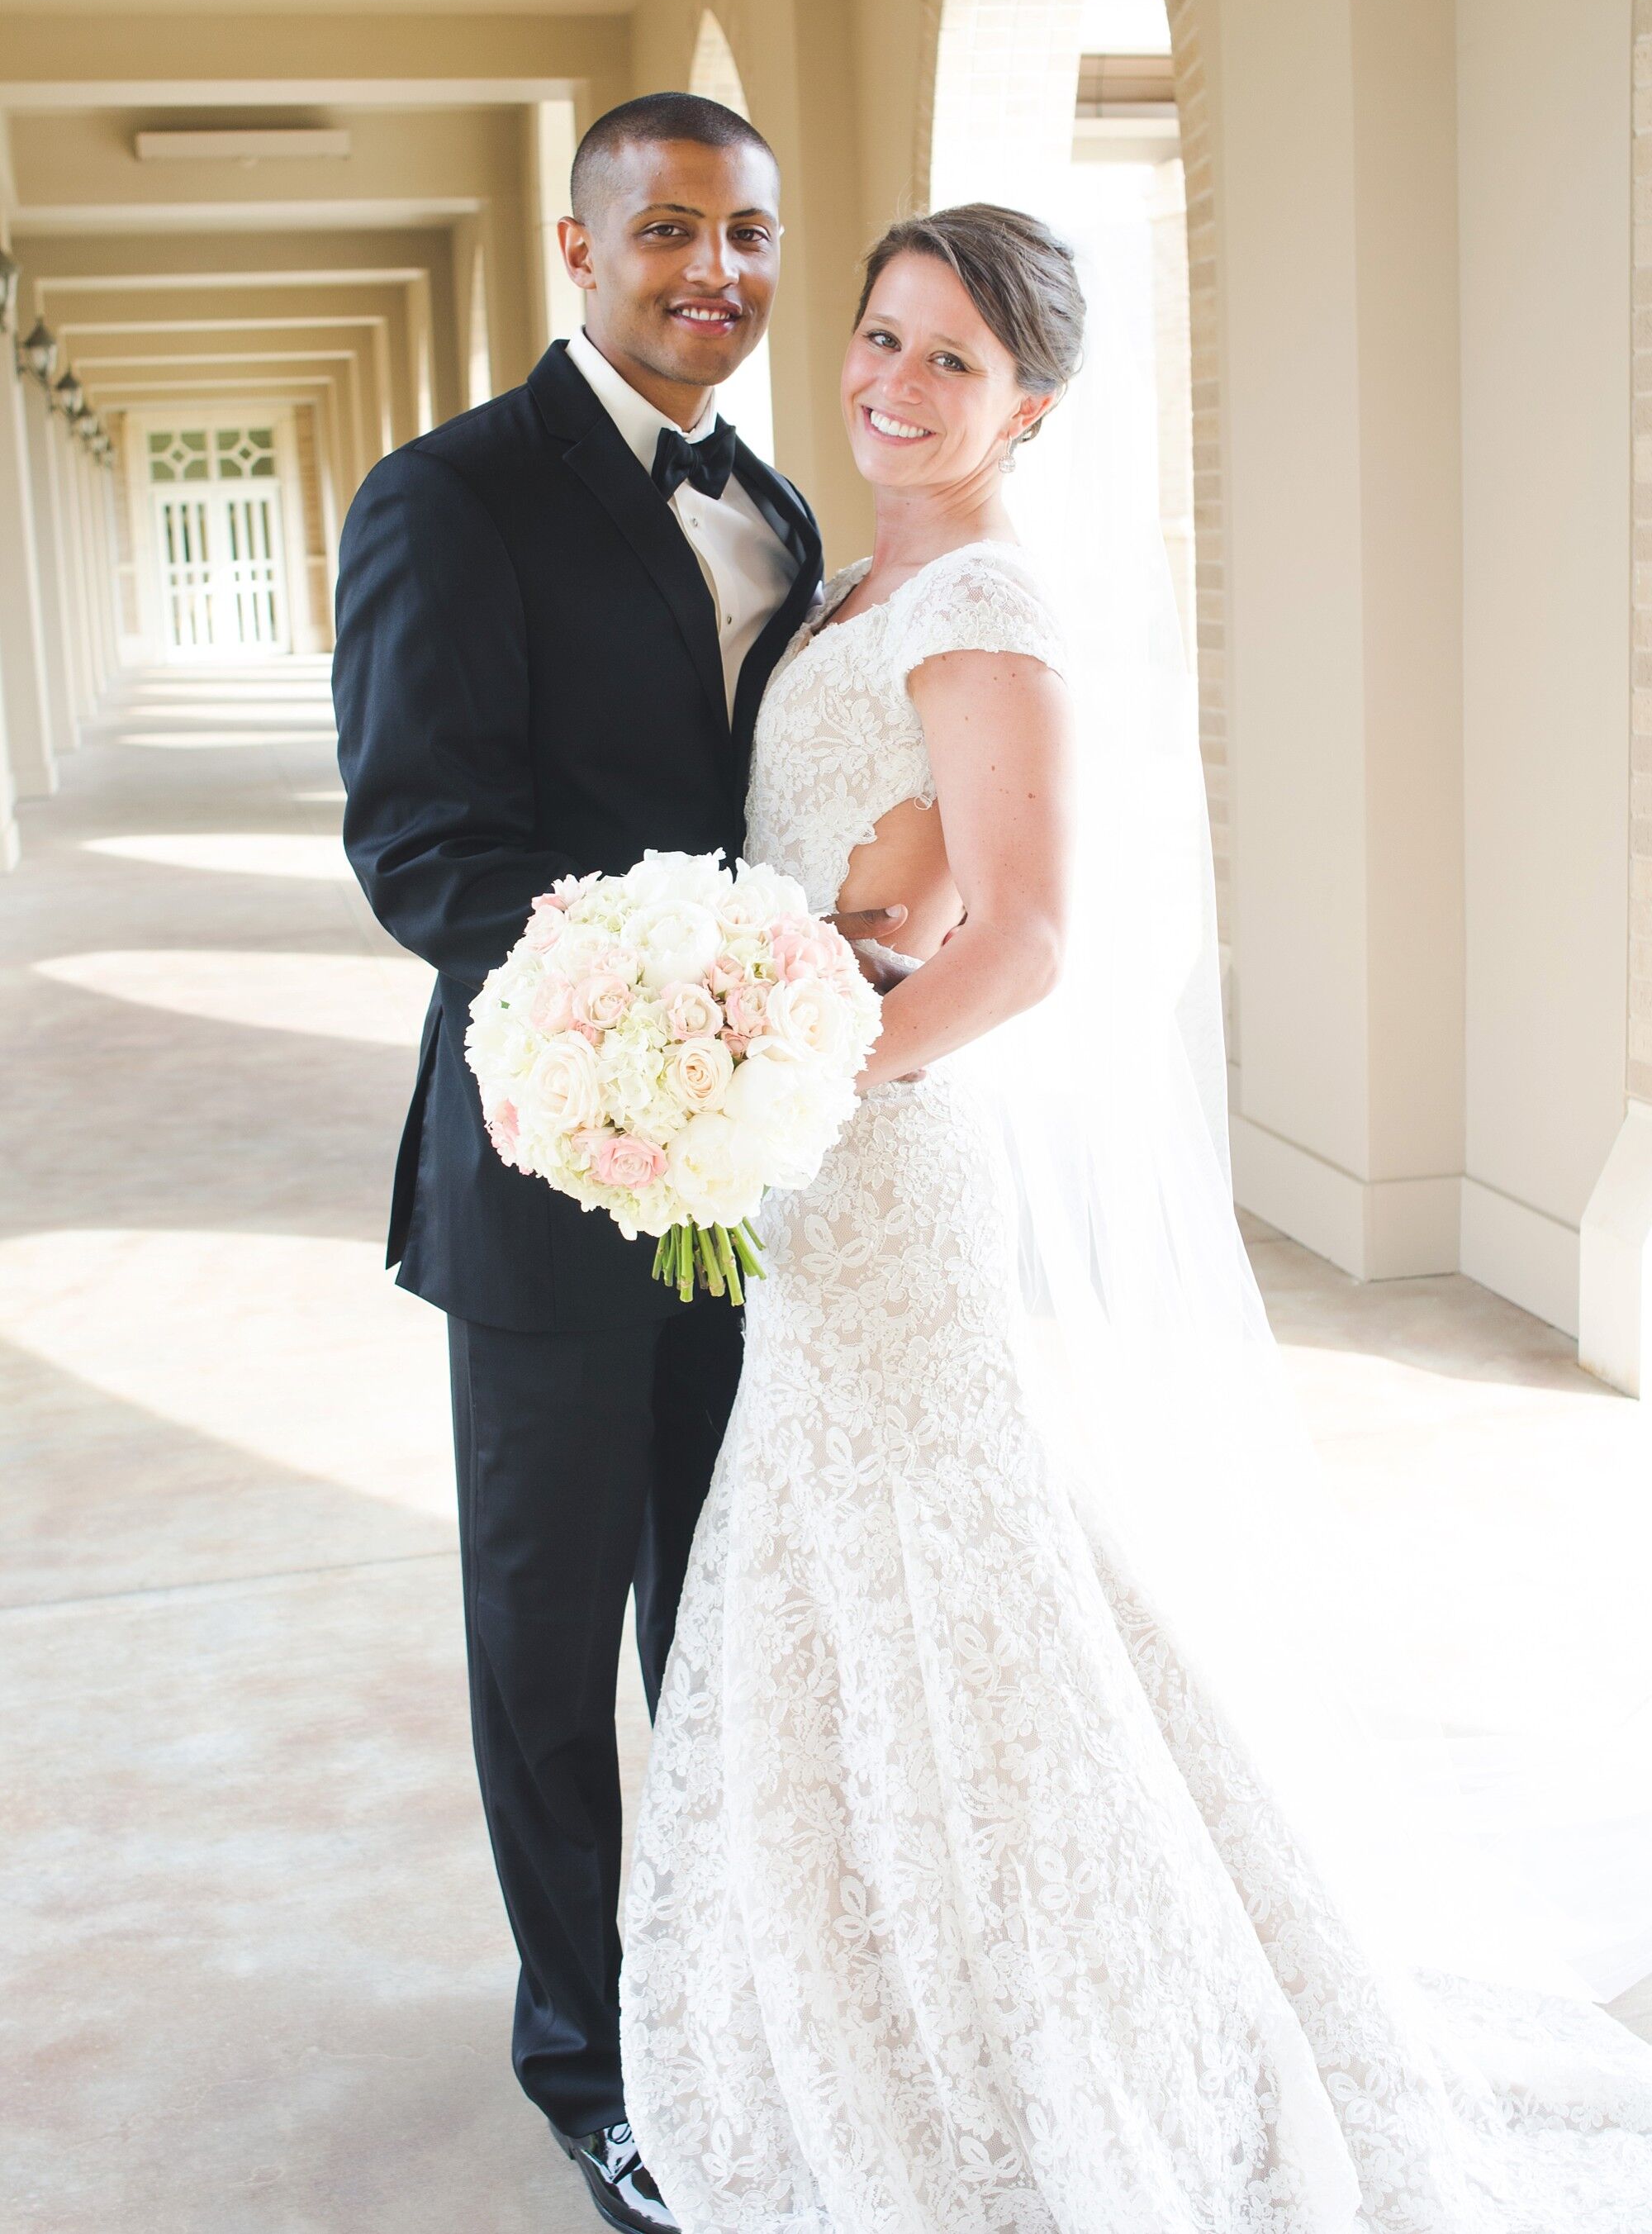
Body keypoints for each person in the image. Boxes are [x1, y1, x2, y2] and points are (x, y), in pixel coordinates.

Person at [618, 202, 1652, 2231]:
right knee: (886, 1591)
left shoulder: (976, 603)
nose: (894, 389)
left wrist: (777, 1089)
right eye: (882, 340)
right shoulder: (844, 593)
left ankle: (1071, 2021)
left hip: (884, 1177)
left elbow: (1028, 943)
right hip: (817, 1178)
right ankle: (888, 1975)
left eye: (951, 365)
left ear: (1035, 406)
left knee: (954, 1581)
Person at [332, 94, 896, 2234]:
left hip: (753, 1181)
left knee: (729, 1613)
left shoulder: (771, 504)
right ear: (580, 252)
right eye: (670, 230)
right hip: (553, 1164)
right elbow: (428, 848)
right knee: (550, 1641)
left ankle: (727, 1984)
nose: (718, 274)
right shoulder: (448, 497)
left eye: (751, 235)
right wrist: (670, 1008)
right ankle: (590, 2060)